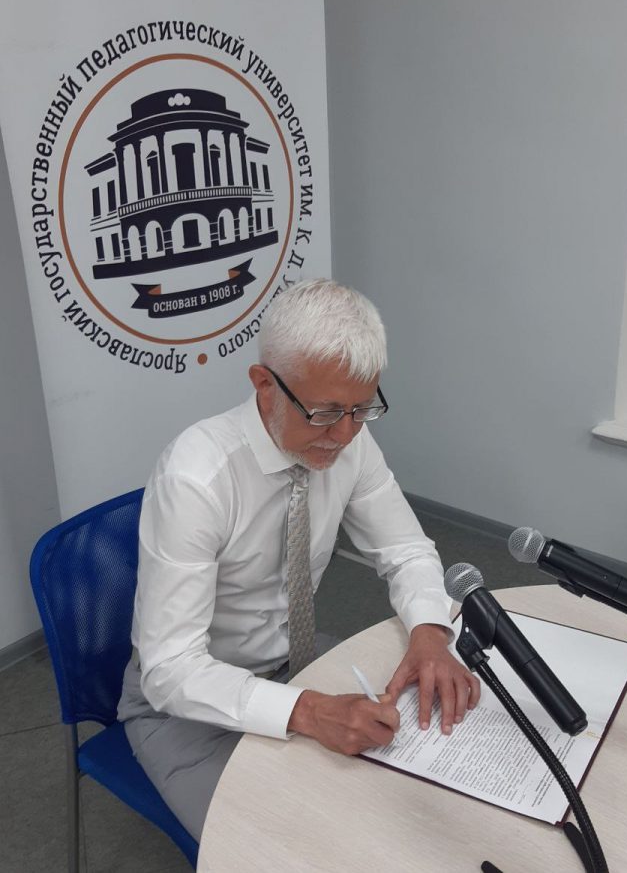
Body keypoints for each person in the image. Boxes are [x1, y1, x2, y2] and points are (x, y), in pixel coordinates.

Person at [117, 278, 480, 842]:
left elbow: (405, 549)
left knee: (415, 805)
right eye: (324, 412)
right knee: (294, 846)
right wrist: (309, 712)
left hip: (296, 662)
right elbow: (170, 669)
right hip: (186, 706)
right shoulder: (197, 477)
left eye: (362, 409)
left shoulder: (348, 438)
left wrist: (431, 633)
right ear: (264, 385)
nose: (344, 434)